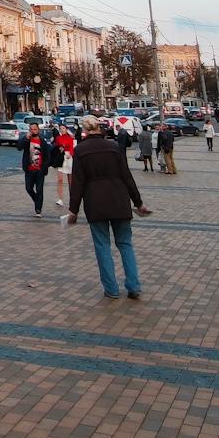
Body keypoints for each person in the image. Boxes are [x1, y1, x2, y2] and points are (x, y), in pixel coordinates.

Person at [66, 116, 152, 300]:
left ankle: (111, 289)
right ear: (100, 128)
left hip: (95, 204)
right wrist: (138, 203)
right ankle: (134, 285)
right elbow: (127, 178)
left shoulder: (80, 150)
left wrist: (73, 209)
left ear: (85, 130)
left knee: (102, 246)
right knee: (126, 244)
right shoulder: (114, 148)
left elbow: (78, 183)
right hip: (119, 200)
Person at [21, 126, 50, 216]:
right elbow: (19, 146)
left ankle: (38, 209)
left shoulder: (42, 142)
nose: (33, 131)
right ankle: (37, 200)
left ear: (38, 130)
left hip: (39, 170)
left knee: (39, 190)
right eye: (31, 129)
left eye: (35, 129)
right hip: (29, 170)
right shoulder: (27, 140)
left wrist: (44, 168)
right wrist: (26, 138)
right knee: (28, 188)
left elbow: (47, 156)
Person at [52, 124, 76, 206]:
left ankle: (72, 198)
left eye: (63, 128)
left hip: (68, 157)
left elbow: (72, 148)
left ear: (66, 129)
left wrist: (71, 154)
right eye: (60, 128)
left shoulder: (70, 138)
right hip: (61, 158)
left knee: (70, 180)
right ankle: (60, 198)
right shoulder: (58, 138)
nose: (62, 130)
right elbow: (58, 144)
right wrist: (61, 147)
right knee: (60, 180)